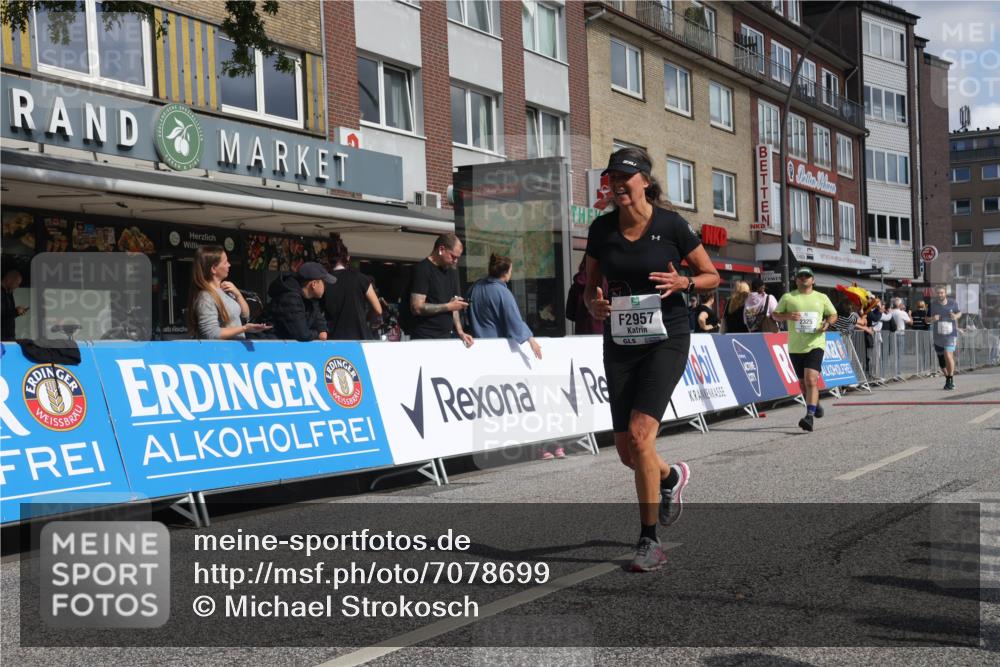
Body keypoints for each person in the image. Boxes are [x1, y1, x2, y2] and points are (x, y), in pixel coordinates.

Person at [583, 147, 719, 572]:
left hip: (667, 337)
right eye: (612, 178)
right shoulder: (601, 230)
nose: (618, 185)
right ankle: (671, 478)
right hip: (620, 341)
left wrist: (684, 281)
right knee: (627, 451)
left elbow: (712, 277)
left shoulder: (671, 225)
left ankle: (649, 541)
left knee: (642, 438)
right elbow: (589, 288)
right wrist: (595, 305)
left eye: (626, 177)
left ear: (644, 180)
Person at [771, 266, 837, 432]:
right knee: (802, 385)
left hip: (816, 343)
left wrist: (827, 323)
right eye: (801, 276)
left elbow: (833, 315)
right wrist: (787, 316)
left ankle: (809, 417)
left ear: (813, 280)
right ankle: (815, 403)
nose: (804, 278)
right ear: (796, 280)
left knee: (811, 380)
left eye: (807, 276)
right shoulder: (788, 297)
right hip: (795, 346)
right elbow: (775, 314)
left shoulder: (821, 297)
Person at [402, 233, 474, 347]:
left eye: (457, 258)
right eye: (453, 256)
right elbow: (416, 307)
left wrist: (460, 332)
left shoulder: (451, 271)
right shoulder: (423, 269)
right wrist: (448, 306)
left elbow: (454, 304)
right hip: (424, 338)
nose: (455, 261)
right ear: (441, 249)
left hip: (445, 336)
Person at [467, 253, 542, 359]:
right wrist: (531, 340)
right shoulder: (502, 292)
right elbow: (515, 322)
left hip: (475, 346)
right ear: (505, 273)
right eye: (511, 271)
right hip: (496, 349)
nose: (511, 273)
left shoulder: (475, 287)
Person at [321, 234, 382, 340]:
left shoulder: (323, 282)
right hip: (361, 336)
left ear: (328, 259)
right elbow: (378, 309)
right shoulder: (360, 278)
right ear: (348, 258)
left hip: (335, 338)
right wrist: (365, 317)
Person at [266, 261, 336, 341]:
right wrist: (318, 334)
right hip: (266, 346)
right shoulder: (289, 298)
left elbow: (319, 320)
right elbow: (302, 334)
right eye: (324, 283)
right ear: (314, 284)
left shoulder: (311, 299)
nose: (326, 287)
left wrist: (322, 330)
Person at [928, 286, 962, 390]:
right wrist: (932, 318)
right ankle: (947, 378)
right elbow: (926, 320)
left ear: (945, 293)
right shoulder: (932, 305)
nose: (940, 295)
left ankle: (950, 378)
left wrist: (956, 316)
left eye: (942, 293)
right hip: (938, 336)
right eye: (938, 293)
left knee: (948, 355)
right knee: (941, 360)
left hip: (950, 335)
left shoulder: (953, 303)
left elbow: (959, 313)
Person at [565, 258, 606, 335]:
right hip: (604, 335)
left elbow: (570, 314)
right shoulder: (607, 282)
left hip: (582, 336)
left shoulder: (576, 285)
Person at [1, 268, 27, 341]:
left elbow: (7, 313)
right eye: (17, 283)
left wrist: (17, 312)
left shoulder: (9, 293)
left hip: (8, 335)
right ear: (9, 280)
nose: (17, 286)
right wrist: (15, 311)